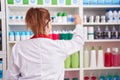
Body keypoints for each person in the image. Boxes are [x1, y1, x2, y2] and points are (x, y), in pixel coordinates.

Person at [6, 8, 84, 80]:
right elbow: (78, 41)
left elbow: (11, 77)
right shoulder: (59, 46)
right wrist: (79, 24)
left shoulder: (18, 47)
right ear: (48, 23)